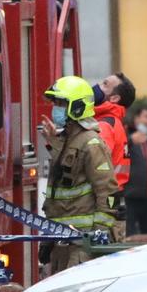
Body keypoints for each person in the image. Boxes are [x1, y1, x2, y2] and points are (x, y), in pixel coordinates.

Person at [40, 76, 117, 273]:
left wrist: (98, 236)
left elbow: (109, 194)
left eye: (61, 103)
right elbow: (68, 176)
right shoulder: (68, 139)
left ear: (76, 107)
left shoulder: (91, 143)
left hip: (83, 246)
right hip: (61, 242)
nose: (55, 108)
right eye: (55, 103)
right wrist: (54, 142)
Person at [124, 105, 147, 237]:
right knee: (129, 235)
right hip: (129, 198)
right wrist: (129, 142)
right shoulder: (126, 137)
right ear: (136, 118)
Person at [93, 73, 132, 186]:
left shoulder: (104, 125)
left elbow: (95, 164)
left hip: (101, 196)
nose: (98, 86)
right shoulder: (113, 122)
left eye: (105, 84)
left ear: (114, 98)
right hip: (111, 193)